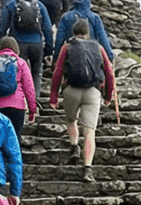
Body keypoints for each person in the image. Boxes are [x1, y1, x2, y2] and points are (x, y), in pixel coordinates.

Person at [49, 18, 118, 181]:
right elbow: (109, 73)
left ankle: (74, 147)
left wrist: (53, 96)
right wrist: (108, 95)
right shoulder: (98, 48)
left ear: (74, 33)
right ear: (87, 33)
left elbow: (58, 71)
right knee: (90, 132)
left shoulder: (67, 47)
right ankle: (87, 169)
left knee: (71, 120)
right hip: (92, 92)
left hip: (71, 90)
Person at [0, 0, 53, 89]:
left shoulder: (11, 4)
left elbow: (2, 27)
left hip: (17, 43)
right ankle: (34, 100)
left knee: (18, 72)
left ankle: (20, 100)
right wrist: (49, 49)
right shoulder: (40, 5)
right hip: (37, 43)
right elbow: (48, 28)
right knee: (36, 73)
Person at [0, 36, 37, 137]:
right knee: (14, 139)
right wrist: (32, 110)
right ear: (16, 48)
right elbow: (29, 88)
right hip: (17, 107)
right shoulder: (20, 63)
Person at [53, 0, 114, 66]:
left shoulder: (66, 17)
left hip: (71, 55)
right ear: (88, 3)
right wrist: (110, 57)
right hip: (92, 56)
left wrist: (55, 58)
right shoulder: (95, 17)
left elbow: (59, 39)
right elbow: (103, 38)